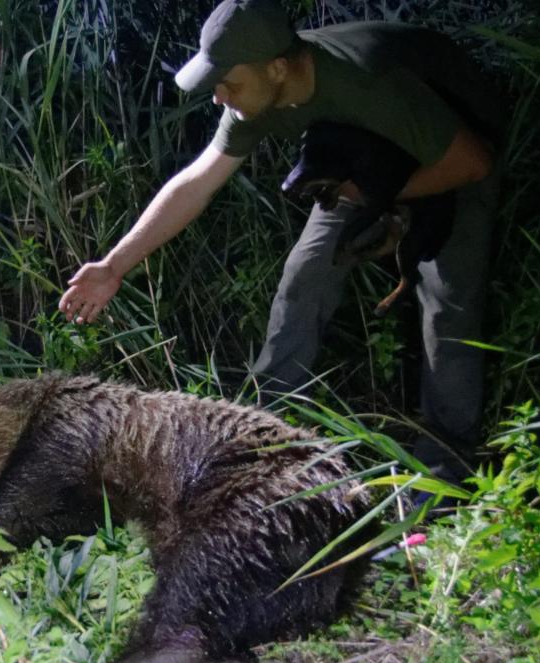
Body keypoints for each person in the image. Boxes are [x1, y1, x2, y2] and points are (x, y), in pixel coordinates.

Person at [58, 0, 505, 486]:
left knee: (447, 305)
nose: (217, 98)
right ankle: (262, 439)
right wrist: (113, 266)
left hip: (452, 151)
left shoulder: (365, 81)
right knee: (305, 275)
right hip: (364, 158)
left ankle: (444, 475)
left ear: (277, 68)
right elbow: (197, 183)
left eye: (228, 83)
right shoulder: (257, 94)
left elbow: (474, 162)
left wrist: (384, 199)